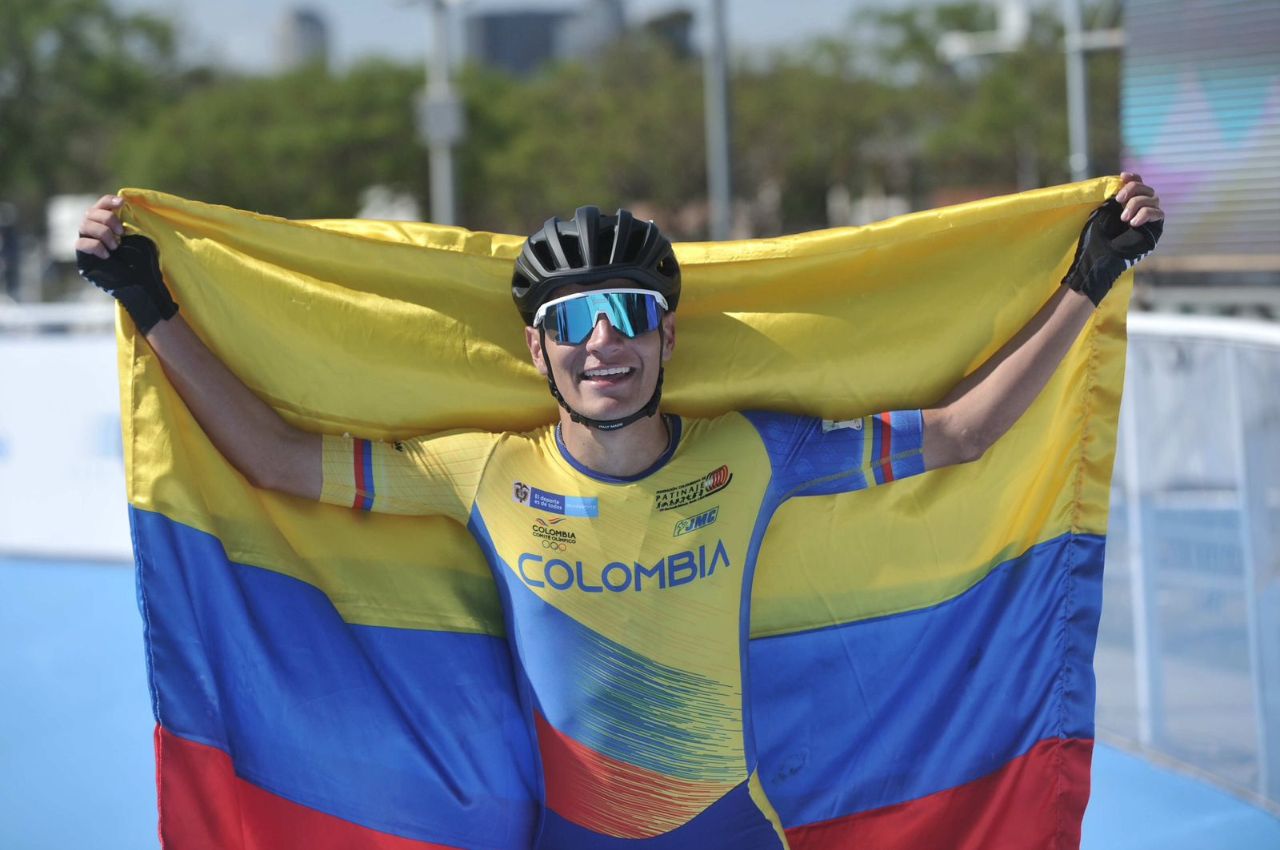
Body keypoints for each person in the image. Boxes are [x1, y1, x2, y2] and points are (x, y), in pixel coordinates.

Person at [76, 177, 1163, 847]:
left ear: (665, 336)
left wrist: (1086, 279)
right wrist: (151, 301)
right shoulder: (479, 470)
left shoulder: (749, 453)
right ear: (536, 349)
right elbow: (268, 460)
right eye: (574, 320)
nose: (604, 341)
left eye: (628, 313)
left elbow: (964, 433)